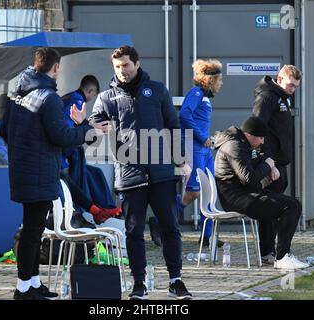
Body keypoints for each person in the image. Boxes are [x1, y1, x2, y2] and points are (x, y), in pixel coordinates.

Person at [0, 47, 110, 300]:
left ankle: (33, 283)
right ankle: (23, 289)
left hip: (25, 169)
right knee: (32, 231)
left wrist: (27, 151)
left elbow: (5, 132)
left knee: (34, 230)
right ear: (56, 67)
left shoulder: (16, 94)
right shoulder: (48, 97)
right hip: (40, 171)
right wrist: (86, 128)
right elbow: (61, 137)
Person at [89, 45, 193, 300]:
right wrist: (90, 123)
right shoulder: (106, 97)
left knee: (170, 227)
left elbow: (173, 125)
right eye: (117, 67)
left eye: (125, 65)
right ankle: (139, 283)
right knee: (134, 231)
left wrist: (181, 160)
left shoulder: (157, 90)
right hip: (129, 174)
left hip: (161, 174)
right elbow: (93, 126)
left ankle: (175, 281)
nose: (122, 71)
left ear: (137, 64)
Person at [213, 116, 309, 270]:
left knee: (283, 203)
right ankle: (283, 257)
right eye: (261, 138)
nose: (262, 142)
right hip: (237, 199)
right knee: (291, 206)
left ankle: (267, 254)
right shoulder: (234, 147)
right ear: (250, 135)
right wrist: (267, 164)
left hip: (244, 195)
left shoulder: (241, 143)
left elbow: (257, 162)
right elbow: (249, 178)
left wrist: (270, 166)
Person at [252, 65, 302, 263]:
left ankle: (272, 252)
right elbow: (256, 129)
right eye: (290, 85)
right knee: (269, 208)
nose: (293, 90)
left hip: (279, 162)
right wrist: (267, 162)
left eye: (296, 87)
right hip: (270, 163)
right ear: (280, 78)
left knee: (275, 208)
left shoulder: (281, 97)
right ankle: (269, 252)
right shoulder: (267, 97)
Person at [60, 75, 121, 223]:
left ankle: (102, 209)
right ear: (91, 91)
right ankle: (96, 210)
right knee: (82, 180)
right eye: (93, 96)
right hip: (67, 156)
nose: (91, 99)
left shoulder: (67, 98)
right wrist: (88, 131)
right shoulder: (78, 101)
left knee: (95, 173)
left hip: (66, 154)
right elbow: (70, 130)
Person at [178, 58, 224, 248]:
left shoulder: (204, 97)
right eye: (220, 80)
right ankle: (163, 219)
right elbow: (184, 114)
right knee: (193, 193)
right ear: (211, 80)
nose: (221, 84)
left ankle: (207, 236)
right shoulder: (196, 93)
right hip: (194, 147)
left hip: (204, 149)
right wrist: (200, 136)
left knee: (210, 190)